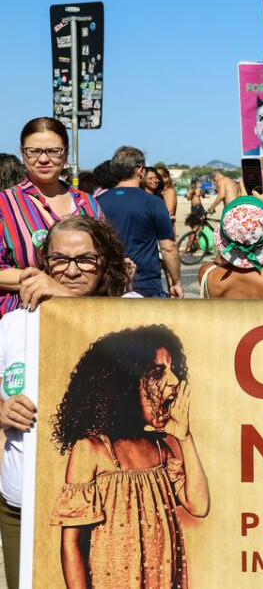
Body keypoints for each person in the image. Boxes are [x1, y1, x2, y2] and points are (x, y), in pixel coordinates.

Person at [0, 217, 135, 587]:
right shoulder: (13, 323)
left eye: (85, 259)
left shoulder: (134, 309)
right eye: (59, 260)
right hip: (20, 502)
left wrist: (63, 300)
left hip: (106, 513)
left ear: (105, 261)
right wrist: (2, 410)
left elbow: (117, 356)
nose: (71, 270)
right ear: (44, 262)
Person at [51, 325, 209, 587]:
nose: (174, 382)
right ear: (124, 380)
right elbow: (72, 544)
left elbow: (199, 505)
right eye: (158, 372)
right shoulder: (92, 449)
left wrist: (185, 437)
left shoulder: (159, 448)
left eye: (173, 371)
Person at [0, 118, 103, 317]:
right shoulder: (5, 204)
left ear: (65, 154)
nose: (44, 159)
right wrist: (36, 279)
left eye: (53, 151)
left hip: (82, 316)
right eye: (34, 151)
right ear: (23, 154)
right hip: (23, 318)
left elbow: (105, 256)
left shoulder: (88, 203)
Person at [97, 147, 182, 298]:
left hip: (108, 285)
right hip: (146, 285)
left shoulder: (97, 202)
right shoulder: (153, 202)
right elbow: (168, 247)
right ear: (140, 171)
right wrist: (176, 282)